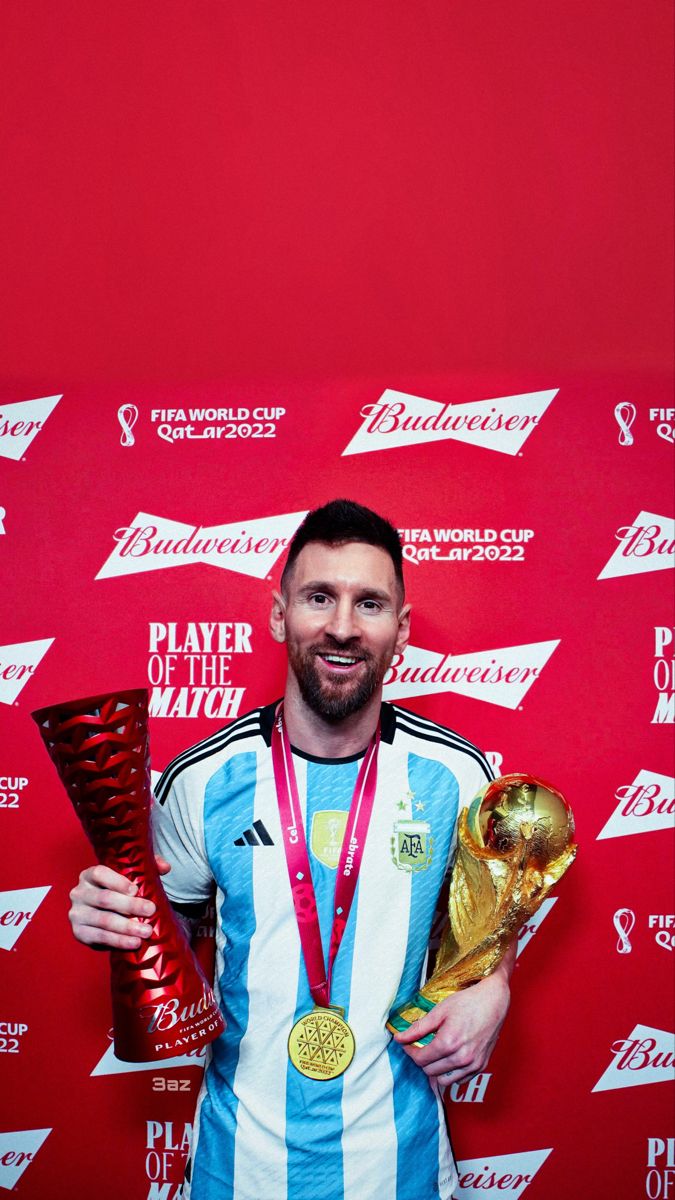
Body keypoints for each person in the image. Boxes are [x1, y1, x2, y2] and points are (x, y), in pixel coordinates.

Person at [69, 499, 515, 1200]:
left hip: (399, 1170)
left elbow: (490, 922)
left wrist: (495, 984)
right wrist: (119, 920)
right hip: (234, 1167)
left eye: (368, 603)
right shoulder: (203, 779)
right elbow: (175, 934)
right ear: (280, 615)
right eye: (318, 597)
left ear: (399, 631)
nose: (341, 626)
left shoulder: (456, 777)